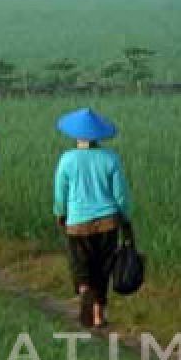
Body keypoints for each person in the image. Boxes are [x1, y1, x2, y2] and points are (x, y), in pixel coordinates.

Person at [53, 108, 131, 328]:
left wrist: (60, 213)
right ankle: (98, 313)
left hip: (77, 222)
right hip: (107, 221)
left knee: (81, 264)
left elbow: (60, 192)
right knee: (103, 267)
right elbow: (120, 194)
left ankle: (84, 289)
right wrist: (125, 217)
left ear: (76, 135)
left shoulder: (67, 159)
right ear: (98, 136)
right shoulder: (111, 159)